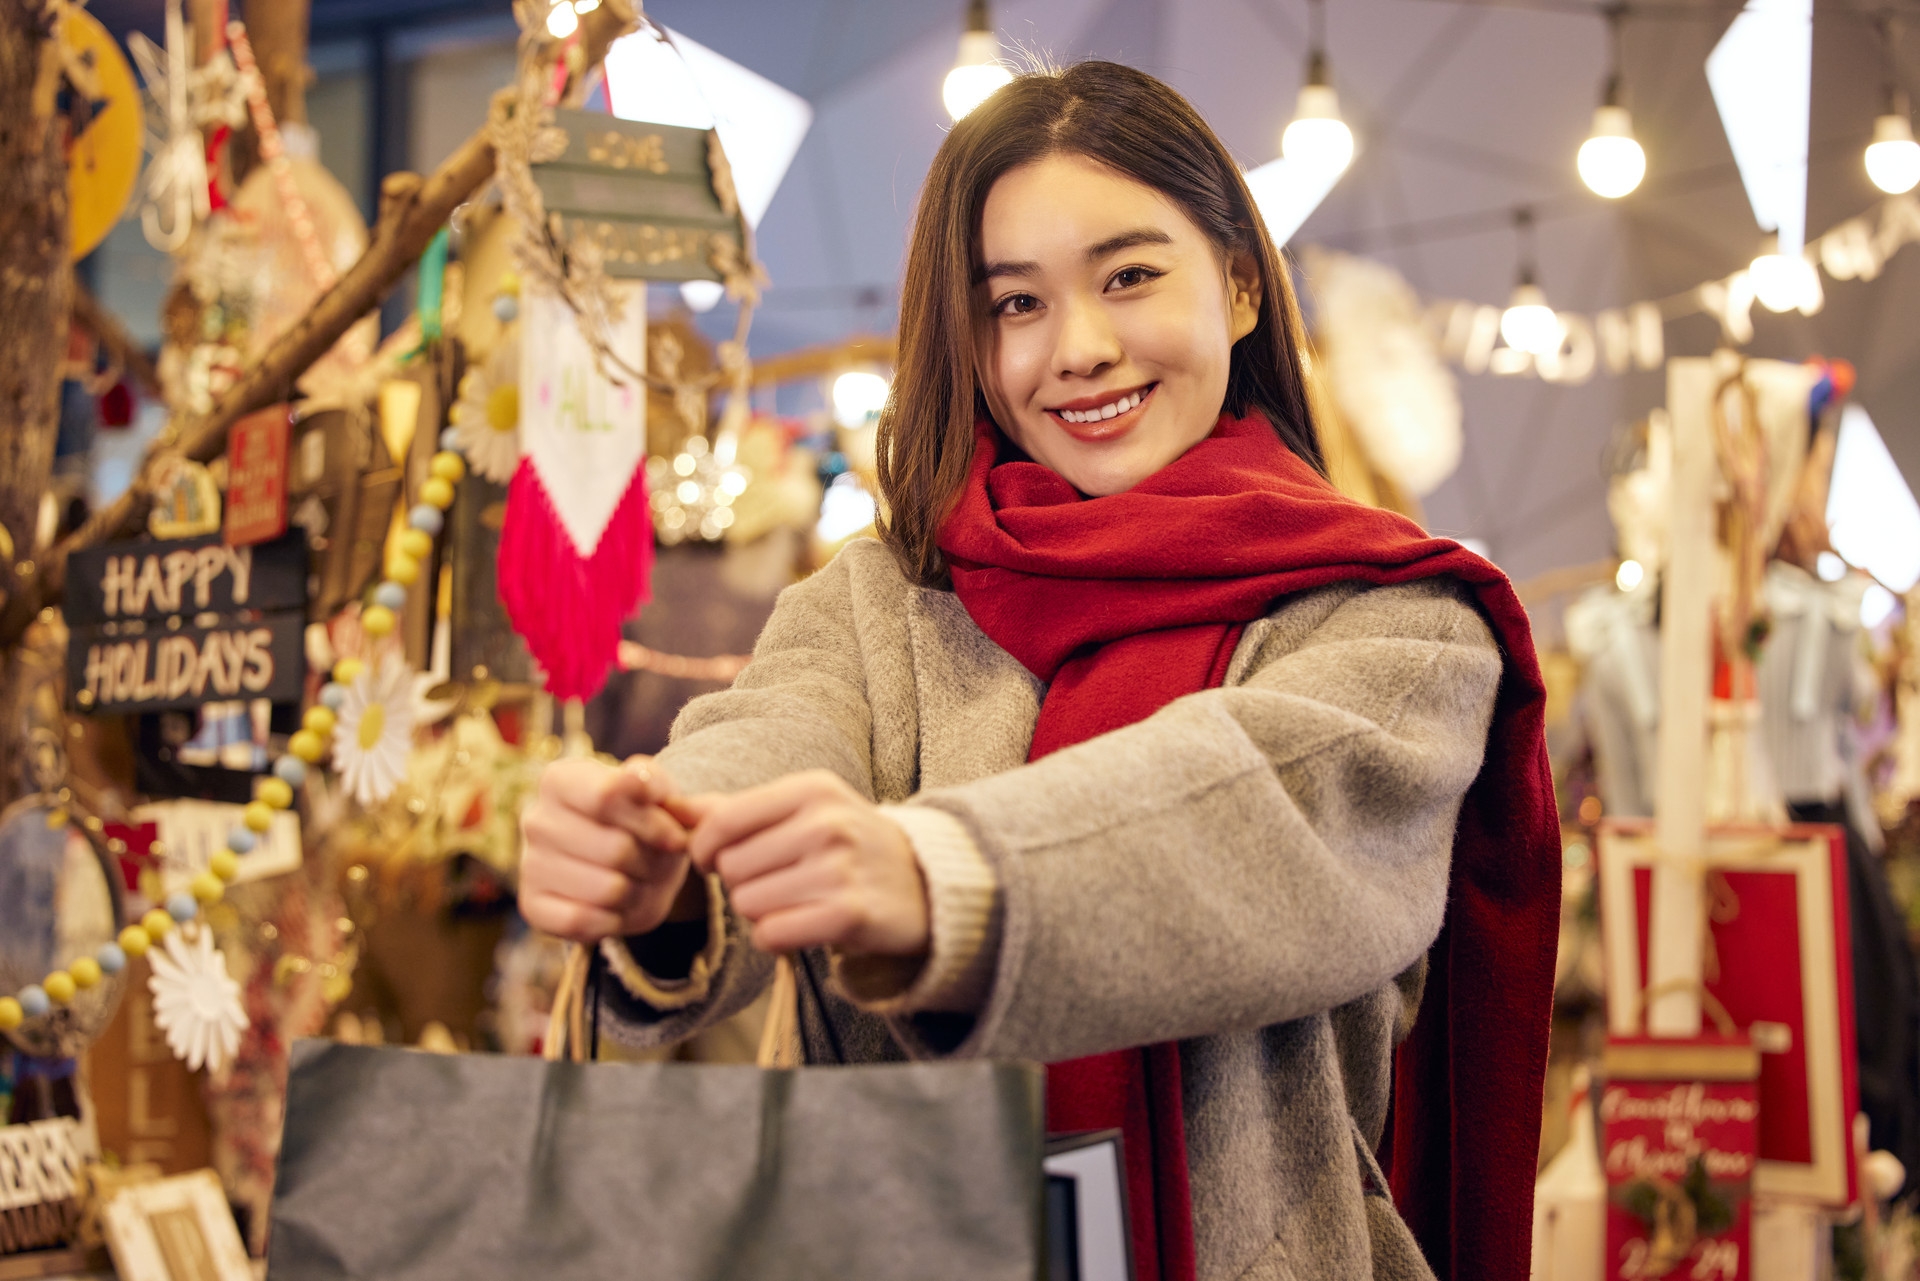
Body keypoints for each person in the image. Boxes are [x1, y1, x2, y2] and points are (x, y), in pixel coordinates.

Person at [519, 61, 1560, 1281]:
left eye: (1128, 276)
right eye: (1014, 305)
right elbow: (776, 735)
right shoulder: (884, 597)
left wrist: (937, 881)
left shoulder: (1397, 622)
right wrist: (672, 853)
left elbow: (1256, 821)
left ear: (1235, 283)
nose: (1080, 347)